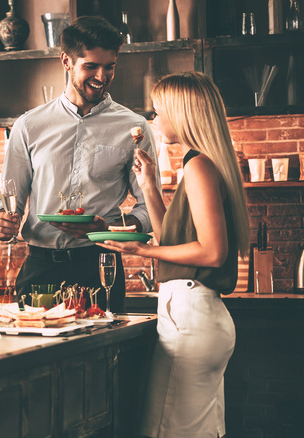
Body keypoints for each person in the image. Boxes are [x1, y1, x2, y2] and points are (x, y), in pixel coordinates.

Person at [98, 71, 249, 437]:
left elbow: (213, 252)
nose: (154, 120)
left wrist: (141, 248)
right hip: (200, 317)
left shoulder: (198, 165)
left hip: (191, 318)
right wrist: (150, 185)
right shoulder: (204, 163)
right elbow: (172, 239)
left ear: (182, 113)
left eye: (159, 111)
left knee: (165, 430)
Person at [0, 16, 159, 313]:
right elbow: (9, 201)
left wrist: (109, 227)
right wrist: (3, 222)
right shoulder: (28, 125)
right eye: (91, 66)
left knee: (103, 358)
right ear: (66, 61)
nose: (102, 76)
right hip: (39, 269)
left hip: (99, 266)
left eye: (110, 66)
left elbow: (149, 208)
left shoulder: (133, 128)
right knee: (35, 356)